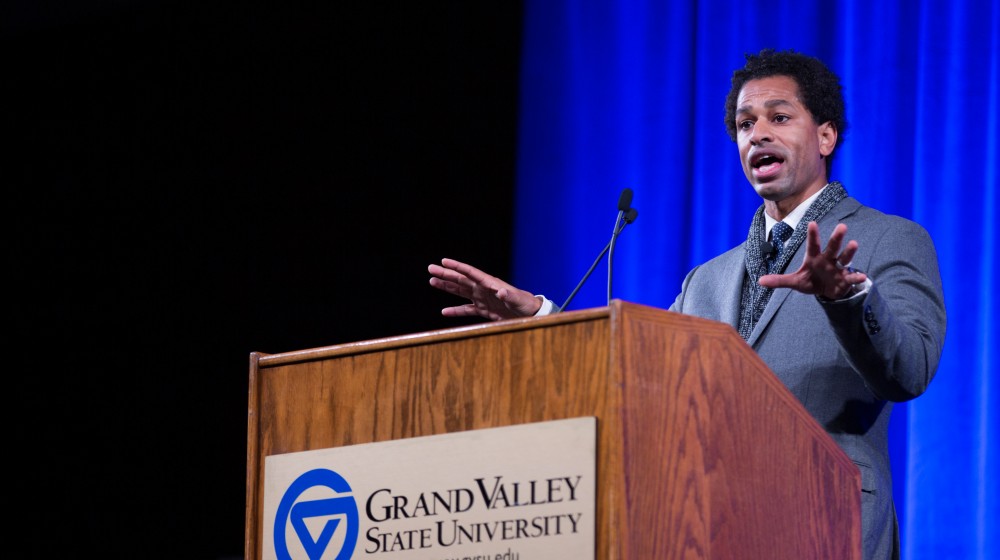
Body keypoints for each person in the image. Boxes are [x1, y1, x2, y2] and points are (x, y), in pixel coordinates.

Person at [427, 49, 945, 560]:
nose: (758, 134)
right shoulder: (707, 279)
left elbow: (909, 370)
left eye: (779, 118)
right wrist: (540, 320)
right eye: (745, 124)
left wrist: (846, 296)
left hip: (825, 524)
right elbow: (638, 372)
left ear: (826, 135)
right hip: (707, 528)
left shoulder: (888, 239)